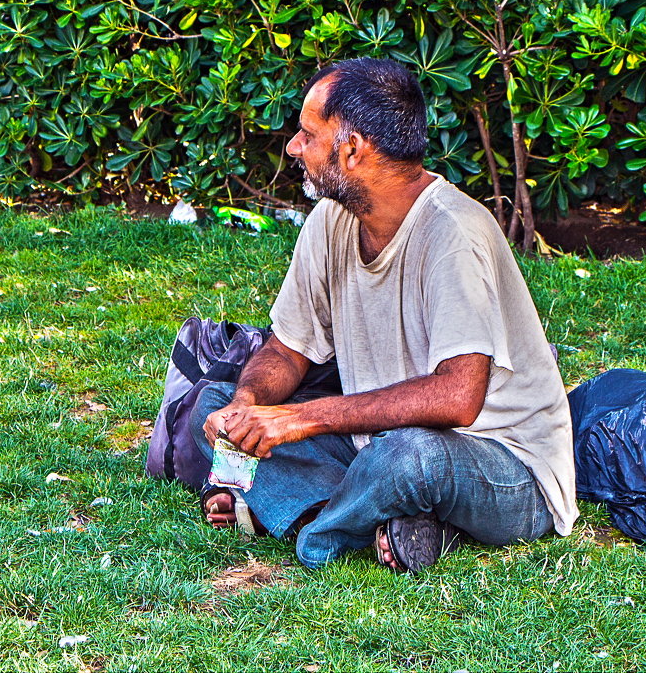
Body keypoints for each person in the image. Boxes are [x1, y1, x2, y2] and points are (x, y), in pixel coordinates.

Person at [188, 57, 577, 572]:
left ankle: (317, 532)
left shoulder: (453, 234)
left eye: (307, 135)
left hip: (500, 468)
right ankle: (388, 520)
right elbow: (287, 349)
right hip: (374, 448)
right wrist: (246, 409)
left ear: (351, 150)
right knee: (209, 403)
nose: (293, 148)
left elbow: (459, 398)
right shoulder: (330, 221)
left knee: (412, 458)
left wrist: (299, 419)